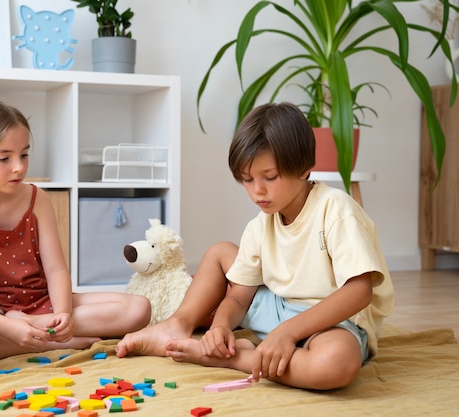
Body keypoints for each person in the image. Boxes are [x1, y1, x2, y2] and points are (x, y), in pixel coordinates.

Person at [116, 102, 394, 390]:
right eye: (247, 180)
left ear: (303, 168)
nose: (257, 190)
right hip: (278, 308)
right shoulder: (260, 225)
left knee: (334, 365)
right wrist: (220, 328)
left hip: (332, 320)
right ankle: (176, 325)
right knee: (220, 252)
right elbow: (238, 298)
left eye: (269, 177)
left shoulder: (335, 209)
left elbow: (359, 291)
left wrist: (288, 332)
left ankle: (236, 360)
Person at [0, 99, 151, 360]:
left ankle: (34, 334)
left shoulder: (39, 199)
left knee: (139, 308)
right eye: (4, 158)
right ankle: (48, 342)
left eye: (24, 155)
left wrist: (63, 314)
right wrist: (8, 325)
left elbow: (56, 269)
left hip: (41, 304)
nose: (19, 166)